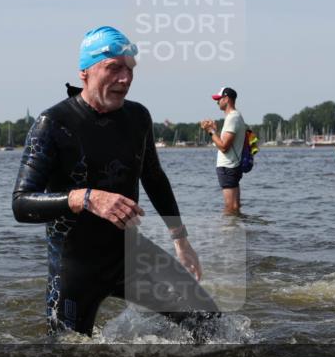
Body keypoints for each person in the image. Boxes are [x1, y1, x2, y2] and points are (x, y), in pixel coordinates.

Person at [12, 26, 217, 336]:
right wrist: (84, 198)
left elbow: (154, 177)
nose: (125, 78)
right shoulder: (52, 124)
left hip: (128, 254)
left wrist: (181, 239)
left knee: (212, 325)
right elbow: (20, 203)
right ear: (85, 72)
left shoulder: (137, 118)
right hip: (75, 266)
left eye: (129, 68)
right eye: (114, 68)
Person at [199, 87, 246, 214]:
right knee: (235, 206)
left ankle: (228, 232)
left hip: (228, 167)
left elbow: (224, 147)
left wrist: (210, 131)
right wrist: (215, 131)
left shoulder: (232, 118)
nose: (217, 102)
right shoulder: (236, 116)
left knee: (230, 207)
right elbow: (227, 143)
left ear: (226, 99)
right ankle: (237, 231)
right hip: (233, 166)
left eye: (219, 99)